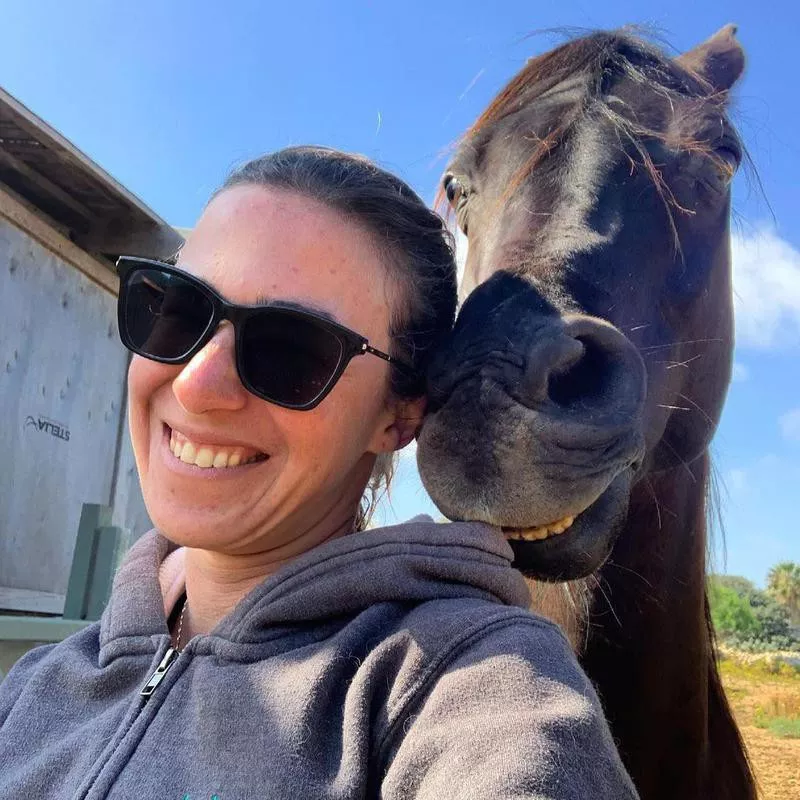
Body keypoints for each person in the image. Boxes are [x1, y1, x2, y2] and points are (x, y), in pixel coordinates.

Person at [0, 147, 638, 798]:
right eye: (179, 311)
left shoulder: (457, 687)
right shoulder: (35, 687)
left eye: (290, 350)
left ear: (397, 418)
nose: (197, 385)